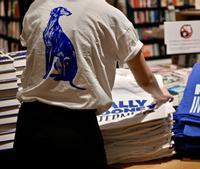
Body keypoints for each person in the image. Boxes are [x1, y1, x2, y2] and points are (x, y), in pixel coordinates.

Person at [13, 0, 173, 168]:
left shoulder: (38, 6)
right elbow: (145, 79)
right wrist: (160, 95)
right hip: (77, 129)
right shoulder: (112, 16)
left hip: (29, 122)